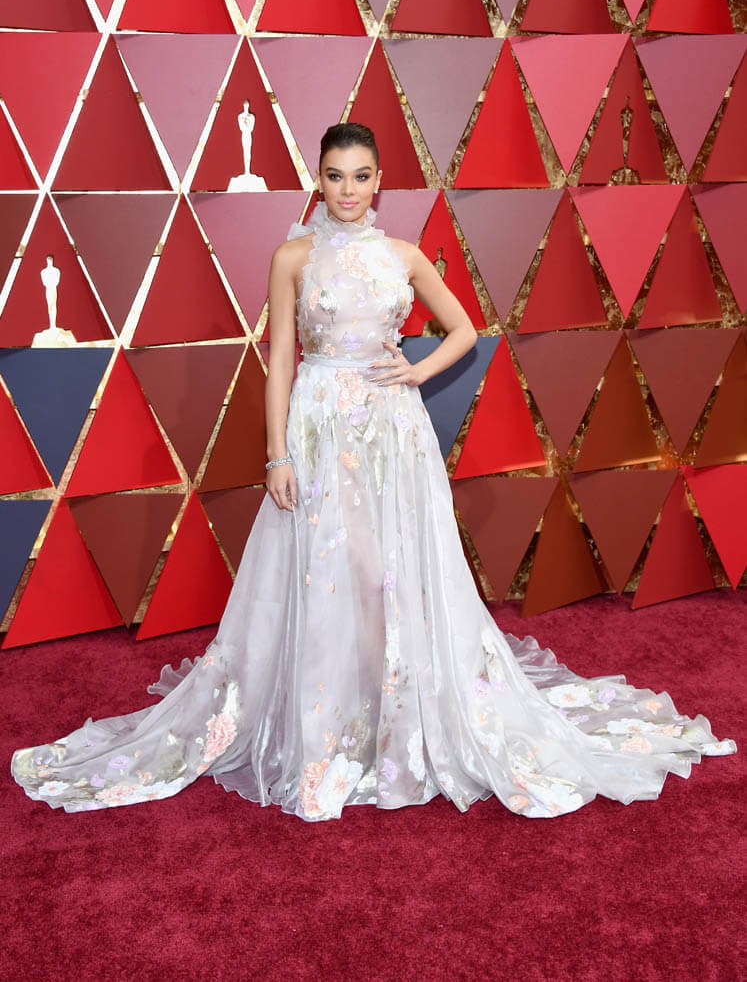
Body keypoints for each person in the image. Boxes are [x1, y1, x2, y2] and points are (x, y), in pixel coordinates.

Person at [11, 123, 736, 819]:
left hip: (393, 430)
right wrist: (276, 453)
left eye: (360, 177)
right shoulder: (292, 257)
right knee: (337, 568)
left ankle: (393, 707)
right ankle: (336, 712)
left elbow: (465, 329)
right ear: (319, 180)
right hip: (320, 424)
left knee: (392, 566)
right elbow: (281, 361)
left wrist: (416, 369)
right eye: (335, 177)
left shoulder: (403, 255)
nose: (348, 190)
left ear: (379, 181)